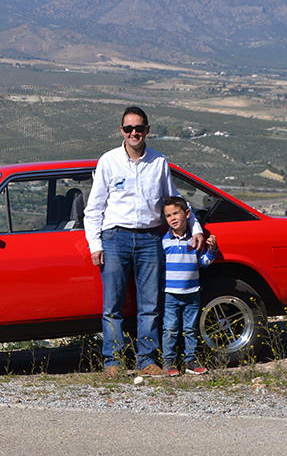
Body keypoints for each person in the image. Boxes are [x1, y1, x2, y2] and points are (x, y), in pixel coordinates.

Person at [84, 106, 205, 379]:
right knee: (112, 305)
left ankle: (147, 361)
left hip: (151, 239)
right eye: (128, 128)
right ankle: (112, 363)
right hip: (115, 238)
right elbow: (94, 209)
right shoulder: (108, 161)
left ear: (147, 130)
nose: (134, 133)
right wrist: (96, 244)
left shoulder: (159, 162)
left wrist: (194, 225)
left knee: (149, 304)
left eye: (139, 128)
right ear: (122, 131)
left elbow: (175, 203)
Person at [160, 196, 217, 376]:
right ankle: (168, 362)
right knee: (170, 328)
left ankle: (191, 361)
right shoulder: (164, 242)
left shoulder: (194, 241)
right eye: (168, 215)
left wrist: (212, 250)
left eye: (176, 213)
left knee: (191, 329)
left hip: (192, 293)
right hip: (170, 294)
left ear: (187, 214)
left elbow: (205, 262)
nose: (173, 218)